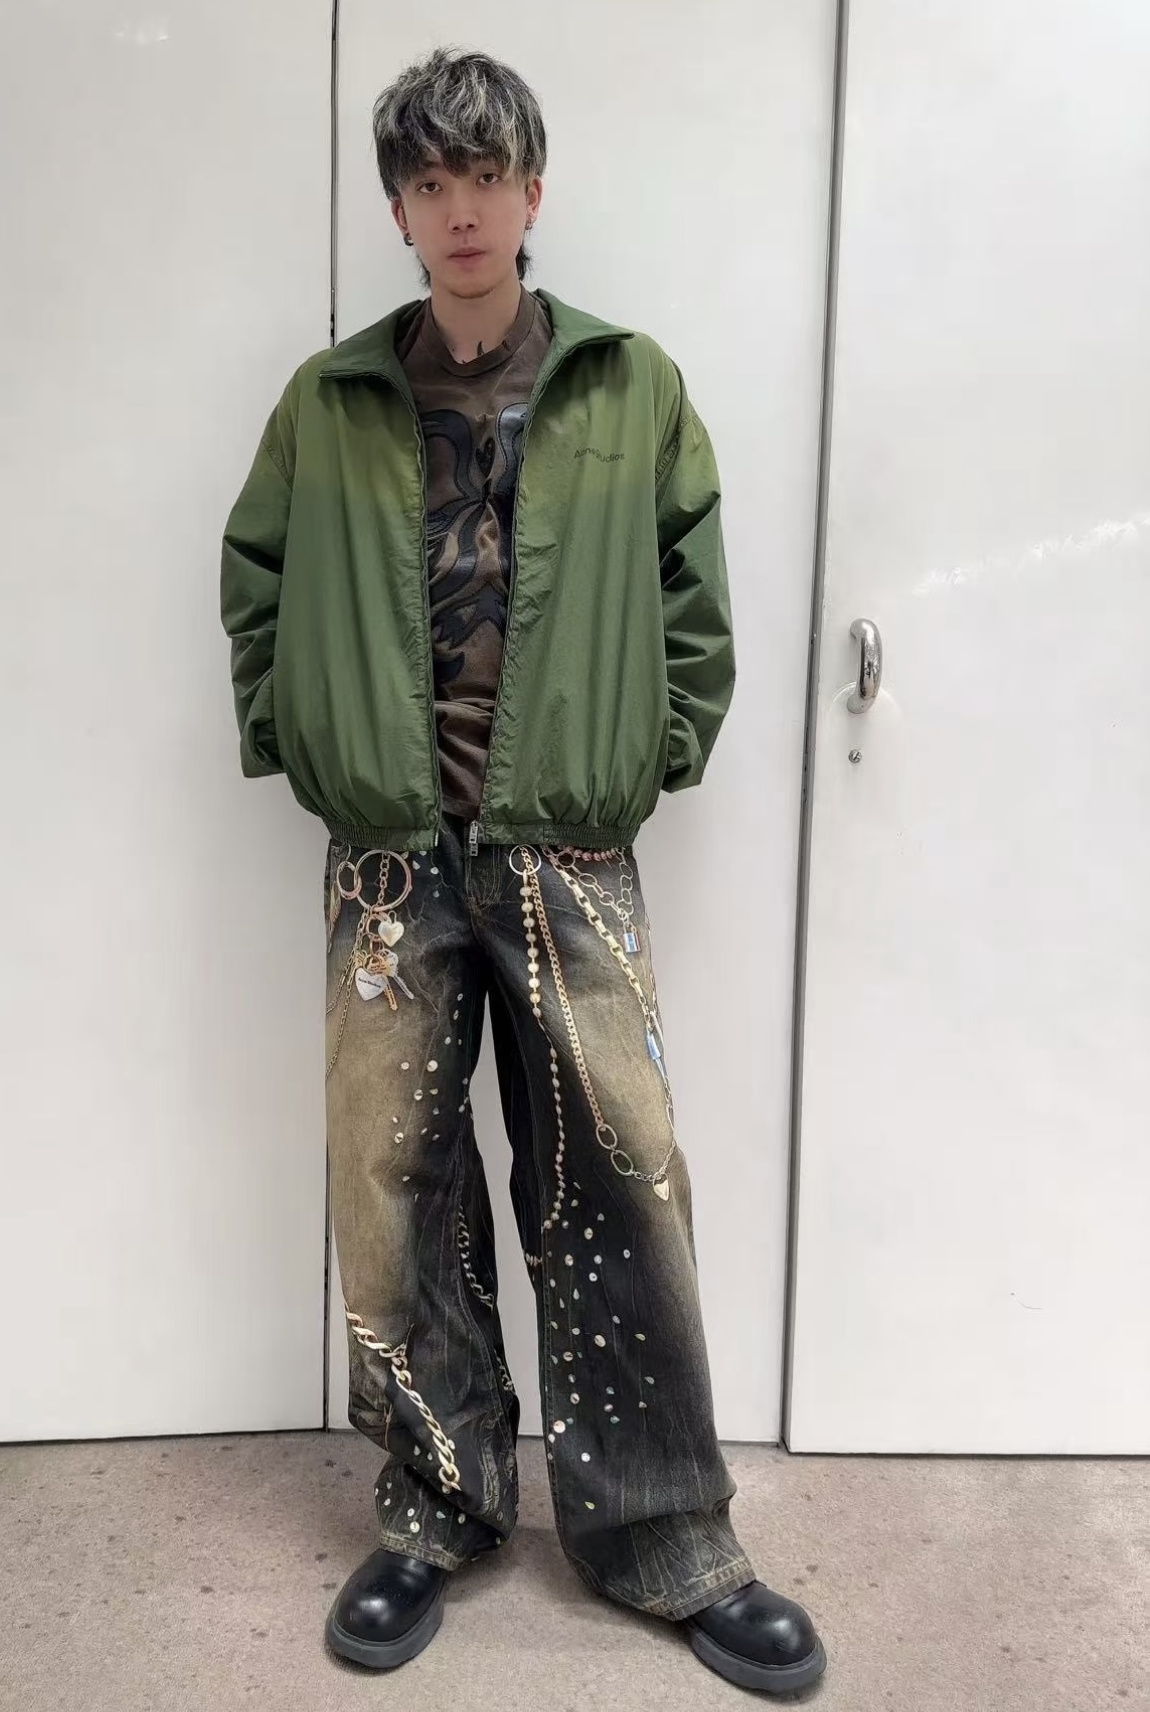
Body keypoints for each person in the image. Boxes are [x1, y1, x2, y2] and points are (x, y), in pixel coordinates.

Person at [219, 45, 827, 1696]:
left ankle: (664, 1537)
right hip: (389, 862)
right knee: (393, 1185)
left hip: (569, 843)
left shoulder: (629, 386)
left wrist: (645, 759)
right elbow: (256, 582)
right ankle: (438, 1508)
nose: (461, 208)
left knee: (621, 1177)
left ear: (532, 192)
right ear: (400, 211)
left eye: (486, 177)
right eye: (430, 182)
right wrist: (308, 744)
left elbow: (695, 600)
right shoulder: (331, 402)